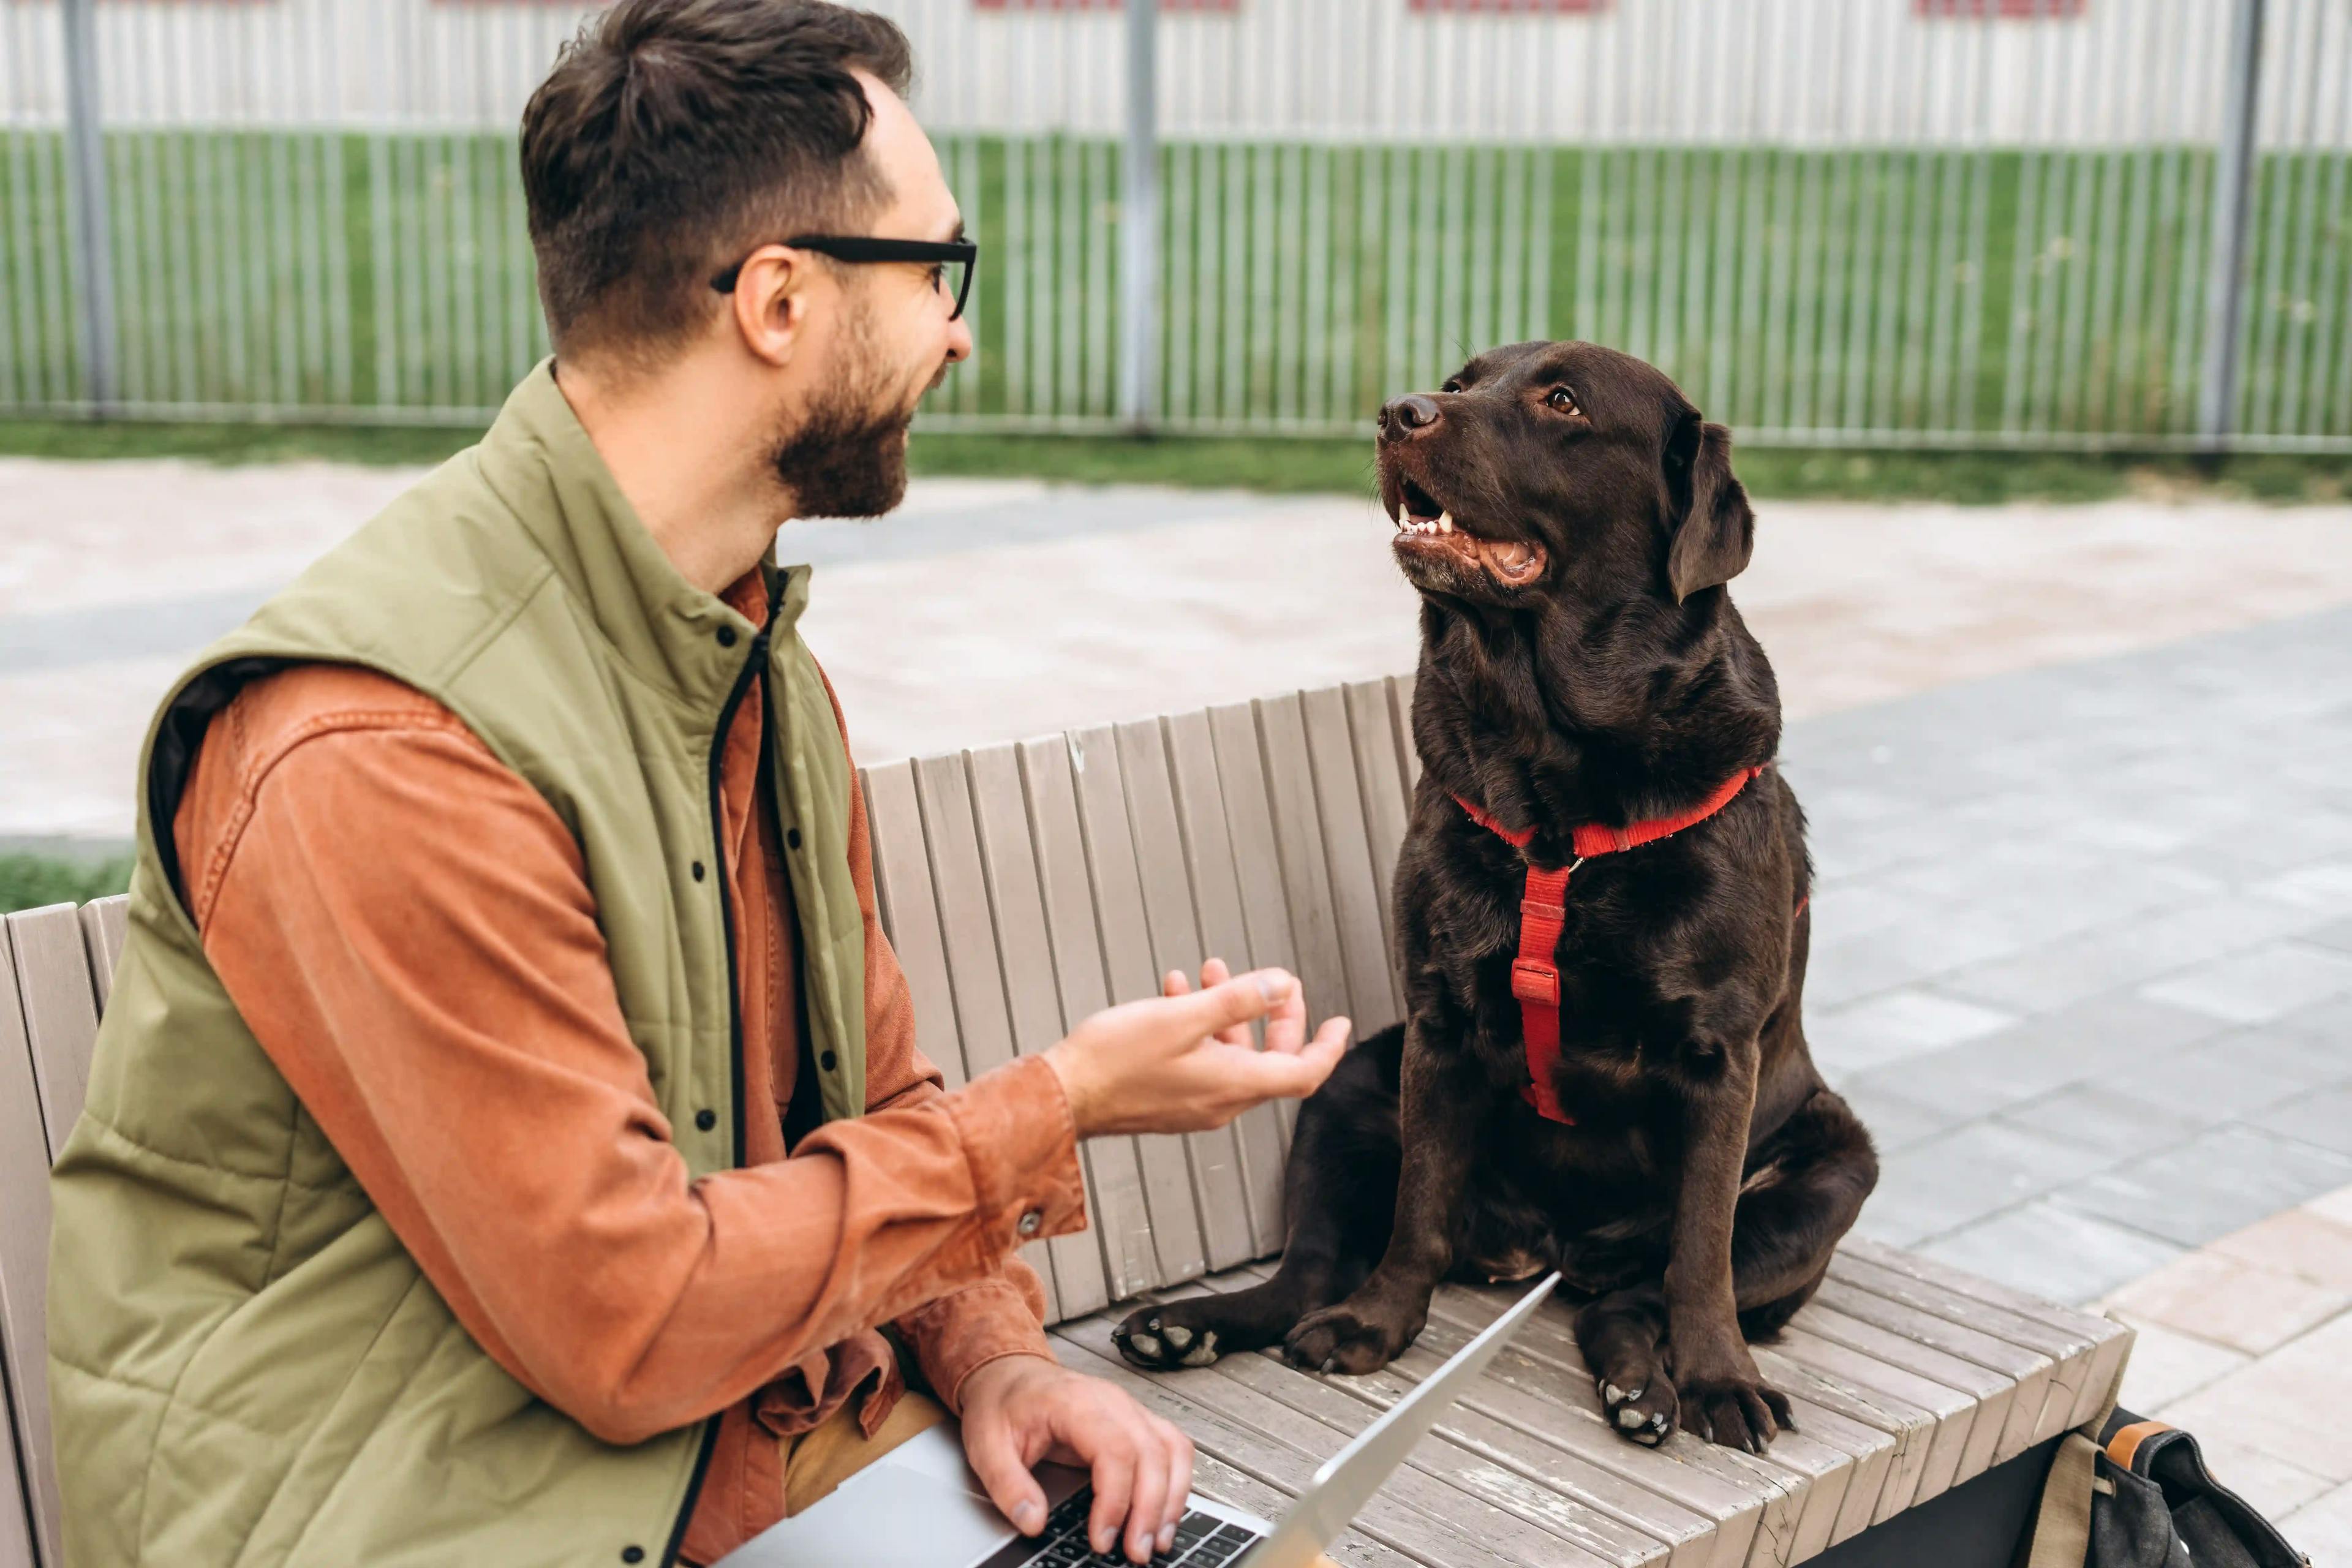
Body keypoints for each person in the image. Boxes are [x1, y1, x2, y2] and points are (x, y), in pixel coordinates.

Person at [43, 5, 1351, 1566]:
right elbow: (632, 1318)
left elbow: (874, 1101)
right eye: (937, 269)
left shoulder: (746, 655)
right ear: (781, 300)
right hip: (419, 1507)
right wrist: (1060, 1105)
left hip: (740, 1444)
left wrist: (997, 1355)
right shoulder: (381, 741)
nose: (958, 335)